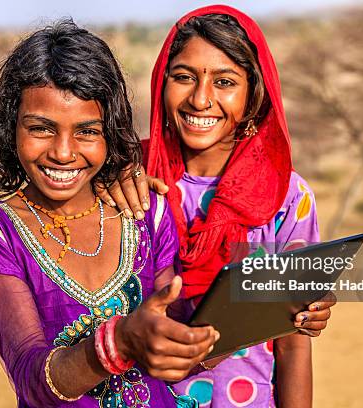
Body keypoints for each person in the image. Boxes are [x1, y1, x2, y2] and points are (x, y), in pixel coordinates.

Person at [0, 19, 219, 408]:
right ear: (11, 128)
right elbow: (33, 382)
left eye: (87, 132)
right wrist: (119, 341)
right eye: (42, 128)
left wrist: (273, 307)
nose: (63, 152)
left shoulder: (147, 214)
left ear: (110, 132)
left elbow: (182, 348)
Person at [97, 5, 334, 407]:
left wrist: (306, 308)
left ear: (254, 95)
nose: (201, 99)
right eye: (184, 77)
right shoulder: (126, 179)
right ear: (162, 83)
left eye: (225, 82)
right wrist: (111, 177)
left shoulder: (286, 196)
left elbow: (293, 346)